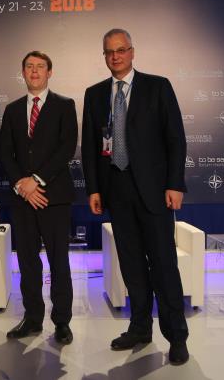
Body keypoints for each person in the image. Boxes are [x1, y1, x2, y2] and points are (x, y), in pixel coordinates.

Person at [81, 29, 190, 365]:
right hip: (116, 190)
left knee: (164, 265)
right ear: (104, 56)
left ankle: (176, 337)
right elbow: (90, 147)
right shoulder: (95, 94)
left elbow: (175, 139)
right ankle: (140, 327)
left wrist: (175, 184)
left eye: (121, 50)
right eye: (109, 52)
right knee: (131, 265)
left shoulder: (158, 87)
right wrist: (94, 188)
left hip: (155, 192)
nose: (115, 56)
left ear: (132, 52)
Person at [0, 51, 78, 344]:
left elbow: (66, 148)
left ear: (49, 72)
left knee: (59, 262)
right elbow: (5, 152)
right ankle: (32, 319)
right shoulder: (12, 109)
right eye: (29, 67)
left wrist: (37, 180)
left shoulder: (65, 105)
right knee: (28, 262)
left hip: (53, 197)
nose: (34, 71)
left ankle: (62, 322)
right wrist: (23, 186)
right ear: (23, 72)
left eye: (40, 67)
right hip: (23, 199)